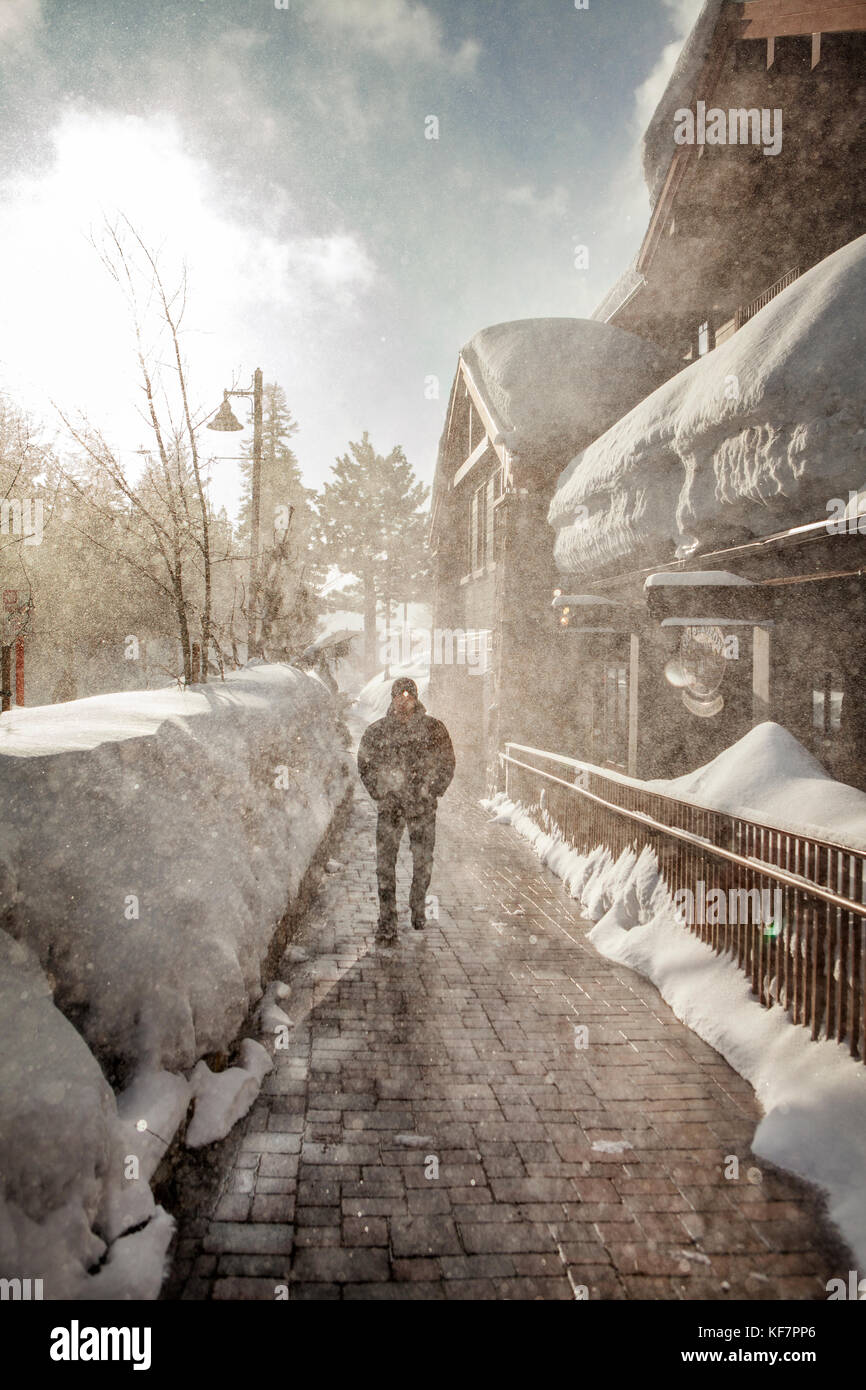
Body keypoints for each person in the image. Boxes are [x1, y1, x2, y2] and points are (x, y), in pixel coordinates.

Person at [357, 676, 455, 942]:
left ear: (415, 698)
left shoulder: (433, 729)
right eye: (399, 696)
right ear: (392, 699)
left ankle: (417, 903)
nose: (404, 701)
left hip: (422, 807)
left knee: (422, 861)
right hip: (390, 808)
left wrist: (432, 789)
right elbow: (364, 763)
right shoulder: (378, 731)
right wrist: (379, 791)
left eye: (408, 696)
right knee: (384, 864)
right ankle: (387, 918)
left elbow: (447, 761)